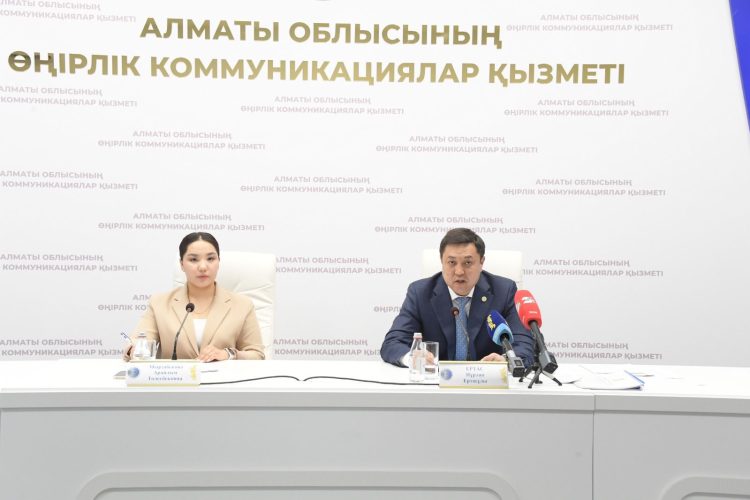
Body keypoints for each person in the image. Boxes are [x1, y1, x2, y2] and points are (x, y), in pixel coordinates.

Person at [380, 228, 535, 367]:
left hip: (486, 383)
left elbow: (524, 343)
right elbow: (393, 342)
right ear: (442, 261)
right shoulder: (420, 293)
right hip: (437, 383)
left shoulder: (504, 291)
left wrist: (506, 361)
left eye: (467, 263)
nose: (459, 271)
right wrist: (412, 358)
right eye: (452, 262)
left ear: (481, 262)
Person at [124, 232, 265, 361]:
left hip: (224, 380)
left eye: (210, 258)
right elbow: (139, 342)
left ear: (218, 262)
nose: (203, 267)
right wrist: (134, 349)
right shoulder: (159, 303)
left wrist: (229, 354)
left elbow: (257, 355)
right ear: (182, 264)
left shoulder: (242, 305)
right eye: (193, 259)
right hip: (176, 380)